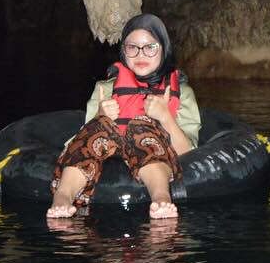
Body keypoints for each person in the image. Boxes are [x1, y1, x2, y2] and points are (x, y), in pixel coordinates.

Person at [47, 14, 201, 220]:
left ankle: (161, 196)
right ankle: (63, 196)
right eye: (132, 47)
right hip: (108, 150)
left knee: (141, 126)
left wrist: (165, 118)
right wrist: (100, 115)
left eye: (150, 47)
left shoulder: (181, 92)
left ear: (164, 49)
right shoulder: (105, 88)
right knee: (98, 126)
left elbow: (188, 153)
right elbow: (81, 139)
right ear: (123, 51)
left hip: (151, 146)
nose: (141, 54)